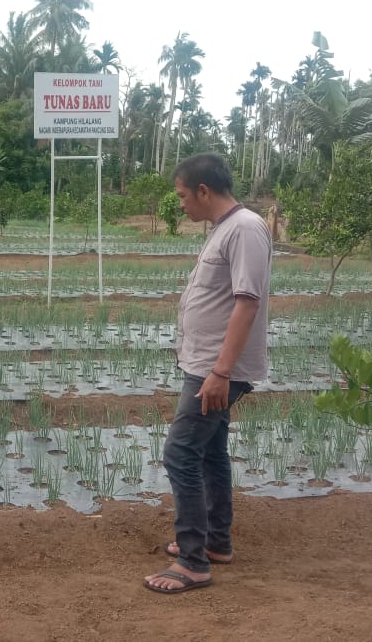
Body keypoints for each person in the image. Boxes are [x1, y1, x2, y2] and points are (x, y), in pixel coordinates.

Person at [144, 152, 272, 595]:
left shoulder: (246, 228)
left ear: (203, 190)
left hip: (216, 370)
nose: (180, 204)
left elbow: (247, 303)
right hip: (205, 364)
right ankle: (216, 542)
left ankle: (193, 561)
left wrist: (221, 371)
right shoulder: (224, 227)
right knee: (210, 452)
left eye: (182, 195)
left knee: (180, 453)